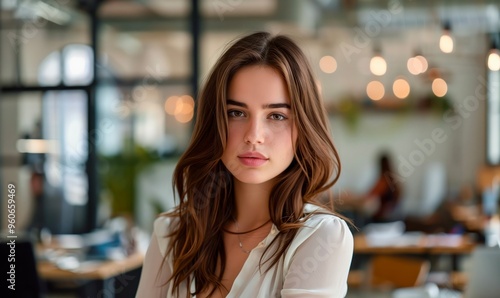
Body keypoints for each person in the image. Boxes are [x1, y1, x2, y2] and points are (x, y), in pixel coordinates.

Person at [136, 32, 353, 298]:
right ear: (215, 122)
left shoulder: (320, 238)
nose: (254, 135)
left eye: (276, 116)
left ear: (303, 129)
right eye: (236, 113)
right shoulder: (172, 233)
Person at [340, 152, 401, 225]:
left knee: (354, 215)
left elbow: (368, 195)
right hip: (395, 217)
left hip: (382, 218)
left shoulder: (384, 180)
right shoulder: (395, 180)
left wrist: (351, 197)